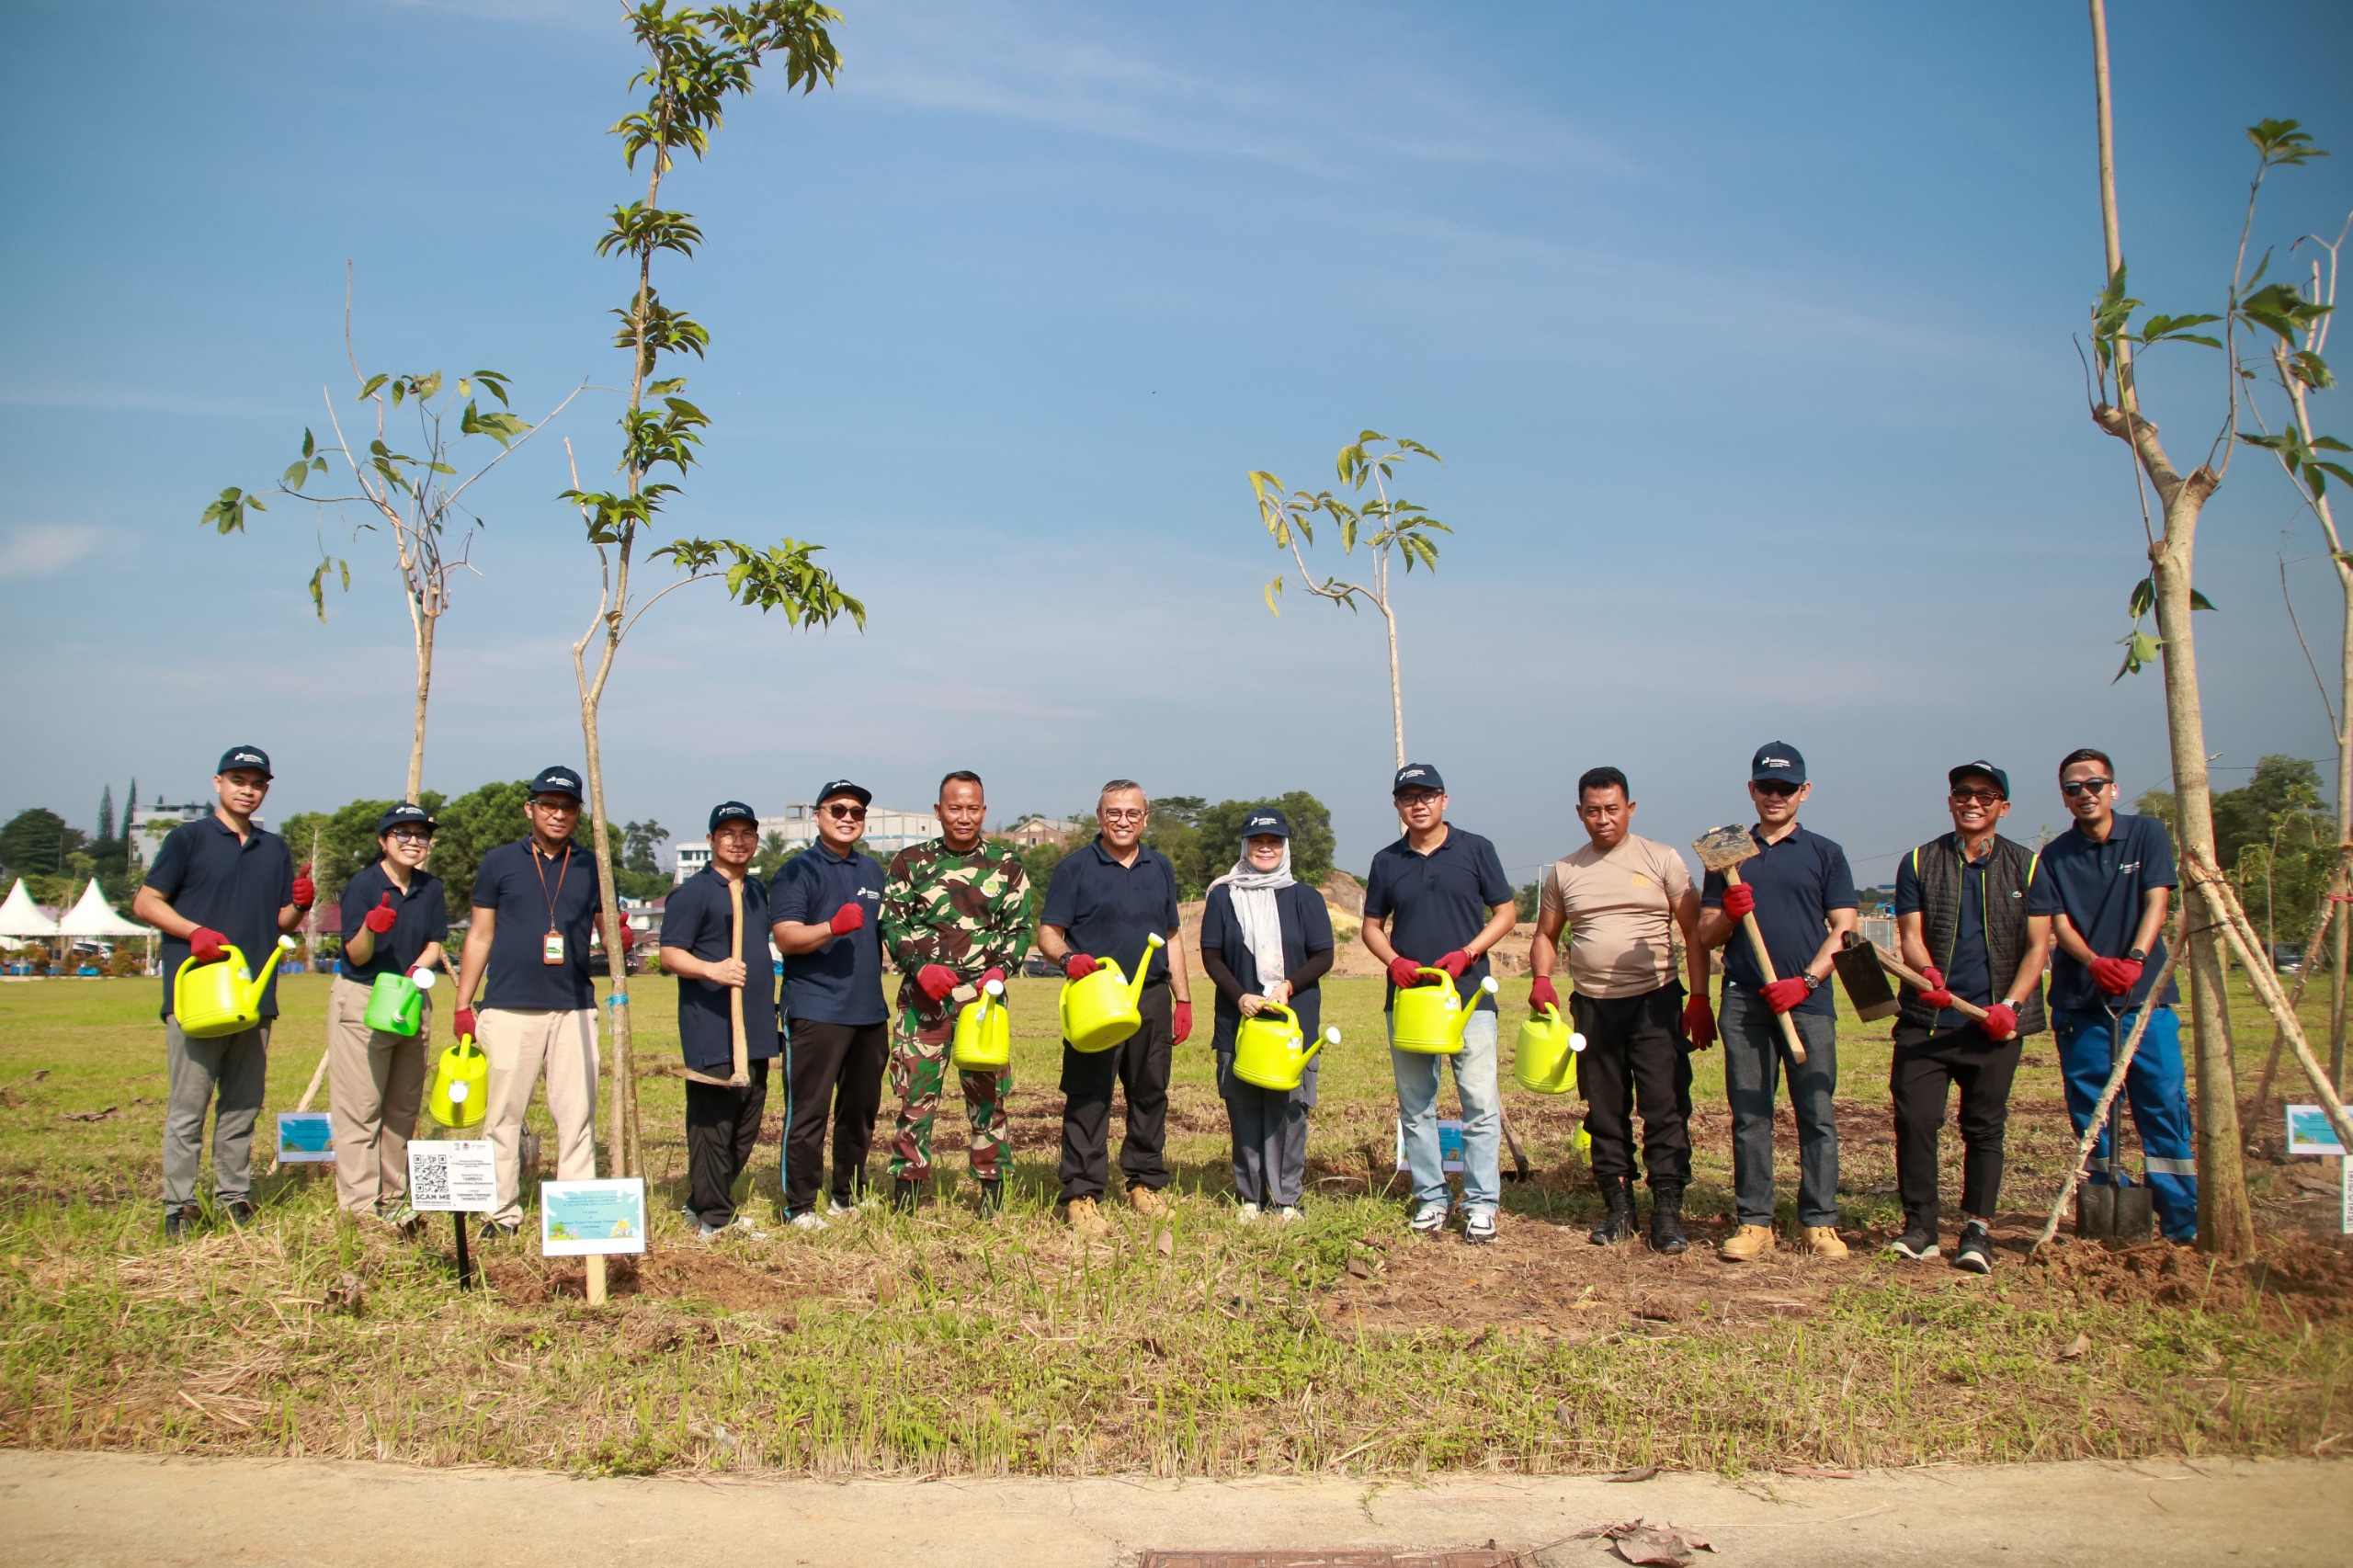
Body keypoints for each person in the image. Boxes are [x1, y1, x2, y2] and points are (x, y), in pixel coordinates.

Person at [1527, 767, 1708, 1254]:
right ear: (1580, 813)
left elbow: (1695, 932)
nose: (1603, 819)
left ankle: (1667, 1212)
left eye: (1612, 809)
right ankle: (1619, 1209)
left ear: (1630, 808)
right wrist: (1542, 978)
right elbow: (1546, 935)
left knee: (1665, 1109)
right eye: (1593, 810)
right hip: (1593, 1009)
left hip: (1655, 1002)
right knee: (1604, 1111)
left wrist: (1699, 998)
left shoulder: (1662, 859)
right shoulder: (1565, 871)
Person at [131, 745, 310, 1237]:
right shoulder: (188, 839)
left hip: (254, 996)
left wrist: (300, 907)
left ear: (266, 789)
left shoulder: (274, 849)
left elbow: (280, 923)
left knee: (242, 1105)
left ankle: (234, 1196)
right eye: (238, 780)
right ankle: (180, 1204)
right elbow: (146, 901)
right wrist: (193, 932)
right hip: (199, 994)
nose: (246, 789)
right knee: (189, 1105)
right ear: (218, 783)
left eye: (256, 782)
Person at [1695, 743, 1859, 1261]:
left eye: (1786, 789)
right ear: (1751, 790)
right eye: (1766, 787)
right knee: (1750, 1111)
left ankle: (1820, 1221)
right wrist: (1728, 911)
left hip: (1807, 1000)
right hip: (1745, 999)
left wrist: (1806, 982)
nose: (1775, 796)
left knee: (1816, 1110)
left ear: (1804, 792)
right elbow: (1705, 935)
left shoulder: (1825, 854)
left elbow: (1845, 929)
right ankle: (1754, 1221)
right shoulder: (1726, 851)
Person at [1887, 762, 2052, 1274]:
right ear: (1951, 800)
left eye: (1986, 794)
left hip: (1993, 1025)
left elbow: (2037, 947)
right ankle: (1921, 1227)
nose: (1972, 801)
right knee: (1915, 1121)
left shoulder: (2028, 867)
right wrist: (1928, 973)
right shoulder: (1919, 861)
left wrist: (2012, 1007)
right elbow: (1911, 935)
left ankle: (1978, 1228)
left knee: (1983, 1127)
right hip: (1928, 1020)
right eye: (1963, 792)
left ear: (2004, 805)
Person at [2029, 747, 2197, 1242]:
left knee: (2162, 1104)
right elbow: (2057, 920)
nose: (2085, 794)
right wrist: (2095, 962)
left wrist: (2136, 960)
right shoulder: (2054, 856)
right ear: (2064, 797)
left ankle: (2180, 1220)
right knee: (2091, 1113)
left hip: (2146, 1002)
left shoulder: (2146, 834)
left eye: (2094, 784)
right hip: (2082, 1002)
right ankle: (2109, 1211)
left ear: (2113, 789)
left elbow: (2158, 898)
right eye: (2074, 788)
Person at [1360, 763, 1518, 1244]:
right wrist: (1393, 963)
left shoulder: (1475, 849)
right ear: (1397, 806)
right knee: (1416, 1105)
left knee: (1479, 1102)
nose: (1419, 804)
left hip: (1468, 999)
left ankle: (1481, 1203)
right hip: (1409, 1001)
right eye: (1409, 797)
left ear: (1445, 799)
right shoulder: (1387, 861)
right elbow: (1371, 926)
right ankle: (1431, 1197)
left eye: (1428, 795)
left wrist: (1470, 952)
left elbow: (1506, 912)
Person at [449, 766, 602, 1241]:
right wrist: (463, 1004)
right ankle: (500, 1213)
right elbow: (480, 933)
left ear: (579, 813)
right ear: (530, 808)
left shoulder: (592, 865)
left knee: (577, 1116)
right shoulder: (500, 862)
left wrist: (618, 932)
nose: (558, 814)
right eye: (549, 805)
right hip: (510, 1005)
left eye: (569, 807)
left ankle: (574, 1213)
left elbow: (609, 933)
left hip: (574, 1007)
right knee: (502, 1116)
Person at [1038, 779, 1194, 1235]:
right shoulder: (1075, 869)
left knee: (1150, 1091)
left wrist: (1182, 997)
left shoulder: (1160, 867)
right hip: (1098, 996)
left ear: (1145, 817)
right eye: (1113, 813)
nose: (1122, 821)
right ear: (1099, 815)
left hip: (1150, 998)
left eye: (1132, 813)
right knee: (1089, 1095)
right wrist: (1069, 959)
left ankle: (1144, 1182)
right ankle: (1081, 1194)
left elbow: (1172, 937)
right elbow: (1048, 933)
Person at [880, 770, 1031, 1216]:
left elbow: (1019, 929)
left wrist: (1001, 970)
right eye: (954, 807)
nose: (963, 816)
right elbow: (892, 923)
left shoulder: (1007, 865)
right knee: (915, 1099)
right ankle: (907, 1192)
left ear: (983, 811)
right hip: (923, 1004)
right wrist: (920, 966)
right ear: (938, 811)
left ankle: (991, 1192)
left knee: (988, 1100)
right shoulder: (909, 862)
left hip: (983, 1003)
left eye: (972, 808)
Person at [1199, 807, 1335, 1221]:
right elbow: (1212, 954)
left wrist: (1288, 987)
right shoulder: (1224, 895)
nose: (1265, 848)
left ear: (1285, 848)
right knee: (1243, 1106)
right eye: (1257, 842)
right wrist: (1240, 995)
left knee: (1290, 1109)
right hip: (1238, 1017)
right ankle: (1250, 1196)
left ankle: (1287, 1197)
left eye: (1273, 842)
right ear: (1245, 846)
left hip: (1292, 1020)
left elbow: (1323, 954)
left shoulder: (1305, 897)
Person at [770, 778, 890, 1231]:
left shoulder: (872, 872)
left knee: (859, 1110)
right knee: (809, 1112)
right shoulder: (796, 871)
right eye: (837, 809)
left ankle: (848, 1194)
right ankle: (799, 1205)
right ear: (818, 814)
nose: (847, 818)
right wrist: (830, 927)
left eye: (856, 812)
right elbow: (785, 937)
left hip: (869, 1012)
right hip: (816, 1010)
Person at [659, 801, 780, 1239]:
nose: (738, 840)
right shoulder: (692, 893)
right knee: (714, 1123)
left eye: (746, 832)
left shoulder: (754, 891)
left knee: (747, 1122)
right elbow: (669, 954)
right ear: (711, 839)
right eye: (727, 833)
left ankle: (703, 1201)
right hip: (712, 1023)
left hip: (756, 1026)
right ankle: (714, 1217)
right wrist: (713, 969)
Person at [326, 802, 449, 1227]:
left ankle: (395, 1199)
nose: (414, 842)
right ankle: (360, 1206)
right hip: (364, 996)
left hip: (411, 996)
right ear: (383, 841)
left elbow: (435, 942)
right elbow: (355, 955)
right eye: (403, 834)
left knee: (401, 1105)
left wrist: (421, 967)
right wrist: (369, 928)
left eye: (422, 836)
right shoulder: (363, 885)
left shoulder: (430, 888)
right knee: (361, 1104)